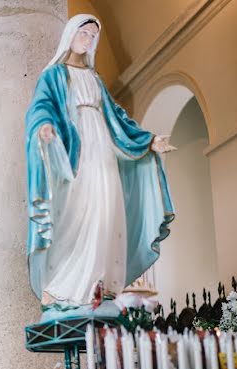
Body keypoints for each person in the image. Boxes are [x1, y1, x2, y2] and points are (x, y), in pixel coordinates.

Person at [25, 14, 177, 313]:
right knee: (77, 211)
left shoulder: (95, 78)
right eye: (84, 33)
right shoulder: (54, 75)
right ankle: (63, 286)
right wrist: (43, 125)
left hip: (103, 148)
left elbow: (117, 117)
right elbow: (41, 105)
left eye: (93, 35)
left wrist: (147, 140)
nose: (88, 39)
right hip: (75, 151)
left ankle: (100, 283)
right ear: (71, 34)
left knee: (106, 208)